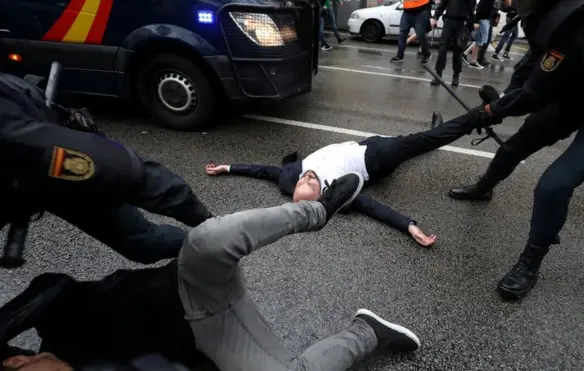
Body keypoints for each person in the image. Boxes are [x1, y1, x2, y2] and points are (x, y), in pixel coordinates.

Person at [0, 173, 423, 371]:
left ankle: (316, 209)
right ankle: (367, 331)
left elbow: (50, 285)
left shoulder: (56, 324)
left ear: (19, 361)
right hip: (211, 338)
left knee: (208, 238)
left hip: (186, 284)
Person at [448, 0, 584, 300]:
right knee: (515, 147)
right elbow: (534, 62)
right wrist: (505, 96)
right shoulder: (549, 11)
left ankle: (530, 263)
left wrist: (492, 111)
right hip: (582, 89)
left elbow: (535, 94)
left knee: (553, 185)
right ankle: (483, 188)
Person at [0, 72, 212, 265]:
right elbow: (118, 168)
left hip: (31, 160)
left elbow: (118, 169)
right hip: (23, 174)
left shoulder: (16, 135)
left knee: (143, 243)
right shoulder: (18, 143)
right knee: (142, 244)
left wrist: (210, 227)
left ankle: (203, 254)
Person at [204, 110, 502, 247]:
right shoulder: (339, 193)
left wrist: (227, 167)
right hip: (374, 158)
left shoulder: (288, 178)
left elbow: (262, 171)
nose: (307, 177)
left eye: (302, 182)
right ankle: (480, 116)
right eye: (311, 184)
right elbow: (373, 208)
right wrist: (410, 226)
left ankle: (433, 128)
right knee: (421, 143)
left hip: (363, 142)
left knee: (418, 140)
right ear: (323, 193)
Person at [430, 0, 477, 87]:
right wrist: (435, 17)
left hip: (462, 22)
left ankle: (456, 76)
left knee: (458, 50)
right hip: (449, 21)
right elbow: (442, 4)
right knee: (442, 49)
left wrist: (474, 22)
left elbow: (472, 9)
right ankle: (438, 75)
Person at [390, 0, 432, 64]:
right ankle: (400, 56)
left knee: (420, 34)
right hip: (407, 11)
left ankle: (427, 54)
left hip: (421, 11)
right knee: (402, 34)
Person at [463, 0, 497, 70]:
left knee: (481, 40)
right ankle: (473, 61)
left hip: (486, 19)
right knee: (479, 41)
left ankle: (465, 53)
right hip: (483, 20)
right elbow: (479, 8)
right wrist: (476, 21)